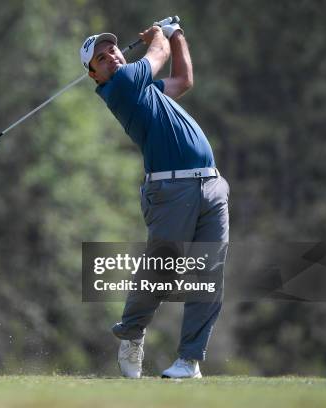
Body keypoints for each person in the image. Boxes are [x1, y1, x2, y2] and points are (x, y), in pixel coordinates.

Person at [80, 19, 230, 378]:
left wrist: (178, 36)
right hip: (169, 189)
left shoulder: (144, 88)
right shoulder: (121, 87)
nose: (112, 56)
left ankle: (188, 361)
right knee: (161, 271)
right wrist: (160, 35)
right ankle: (131, 335)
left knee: (208, 276)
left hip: (210, 185)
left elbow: (184, 81)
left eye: (112, 49)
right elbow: (158, 53)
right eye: (100, 58)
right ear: (94, 75)